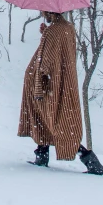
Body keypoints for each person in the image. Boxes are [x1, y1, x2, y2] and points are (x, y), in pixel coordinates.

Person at [18, 11, 83, 167]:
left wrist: (39, 85)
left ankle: (87, 157)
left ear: (49, 11)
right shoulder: (68, 28)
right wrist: (45, 34)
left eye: (43, 11)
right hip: (64, 83)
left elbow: (45, 63)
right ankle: (42, 154)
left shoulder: (54, 31)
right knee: (53, 120)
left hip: (51, 85)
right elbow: (59, 52)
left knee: (56, 122)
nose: (42, 14)